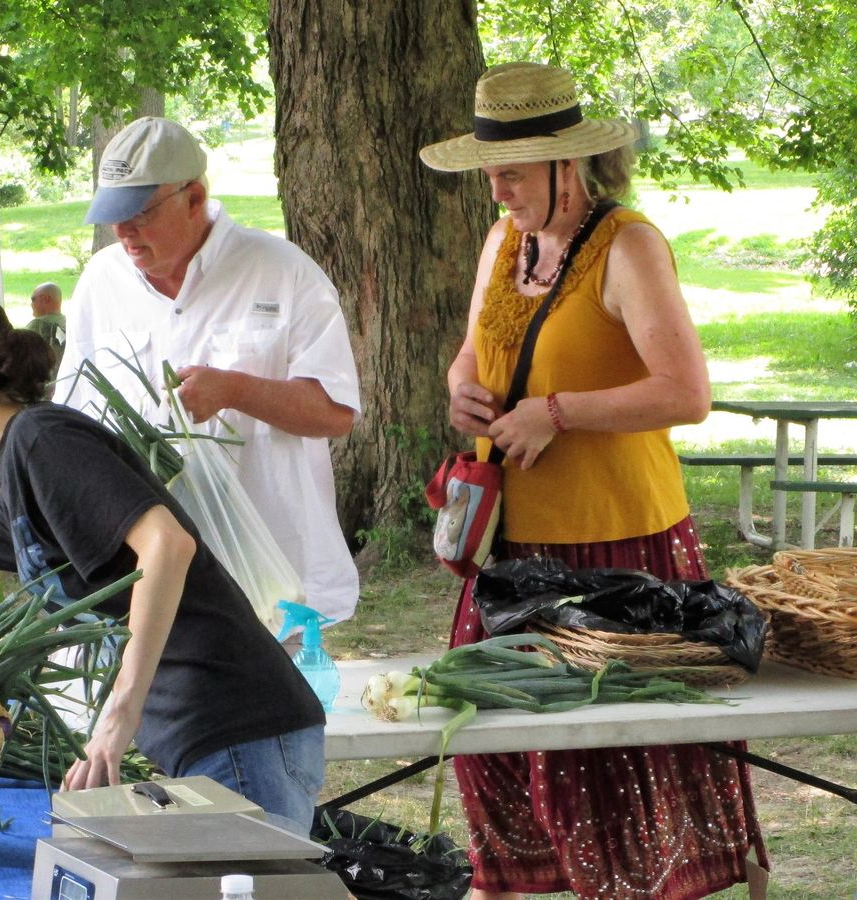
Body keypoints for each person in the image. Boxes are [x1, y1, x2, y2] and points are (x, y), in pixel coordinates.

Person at [0, 286, 326, 833]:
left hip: (239, 727)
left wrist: (121, 711)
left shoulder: (43, 443)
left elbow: (168, 545)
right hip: (210, 732)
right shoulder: (21, 469)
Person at [420, 62, 767, 899]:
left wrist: (559, 412)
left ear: (563, 165)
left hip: (620, 542)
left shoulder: (629, 245)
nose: (496, 187)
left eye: (509, 170)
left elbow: (686, 393)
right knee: (497, 749)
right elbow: (476, 348)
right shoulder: (506, 242)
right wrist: (461, 386)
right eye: (489, 170)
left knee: (625, 761)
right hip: (515, 544)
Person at [57, 116, 362, 626]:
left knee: (271, 707)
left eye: (138, 213)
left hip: (270, 575)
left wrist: (233, 389)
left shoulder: (284, 272)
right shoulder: (101, 282)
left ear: (194, 198)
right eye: (113, 215)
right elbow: (73, 414)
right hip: (141, 570)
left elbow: (334, 414)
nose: (123, 231)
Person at [26, 281, 66, 397]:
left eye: (33, 299)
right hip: (66, 386)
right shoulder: (70, 324)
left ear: (45, 299)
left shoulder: (38, 325)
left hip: (43, 392)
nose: (31, 304)